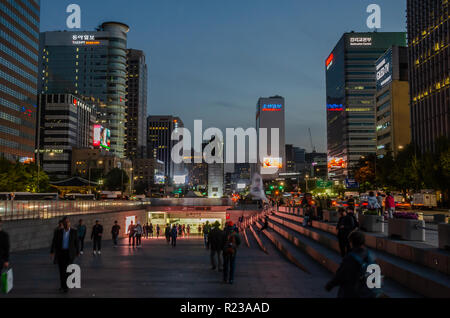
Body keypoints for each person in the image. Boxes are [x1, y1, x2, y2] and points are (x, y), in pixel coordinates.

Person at [325, 231, 380, 298]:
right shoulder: (371, 255)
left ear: (351, 242)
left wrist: (330, 284)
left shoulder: (351, 258)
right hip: (368, 294)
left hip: (352, 293)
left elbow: (341, 274)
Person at [50, 216, 79, 293]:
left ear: (69, 223)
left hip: (70, 254)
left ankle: (66, 286)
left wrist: (78, 252)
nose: (66, 223)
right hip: (61, 253)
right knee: (62, 271)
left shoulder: (74, 231)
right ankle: (62, 286)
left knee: (68, 270)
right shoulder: (58, 232)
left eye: (67, 222)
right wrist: (52, 251)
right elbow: (54, 242)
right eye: (65, 222)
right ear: (62, 223)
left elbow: (77, 242)